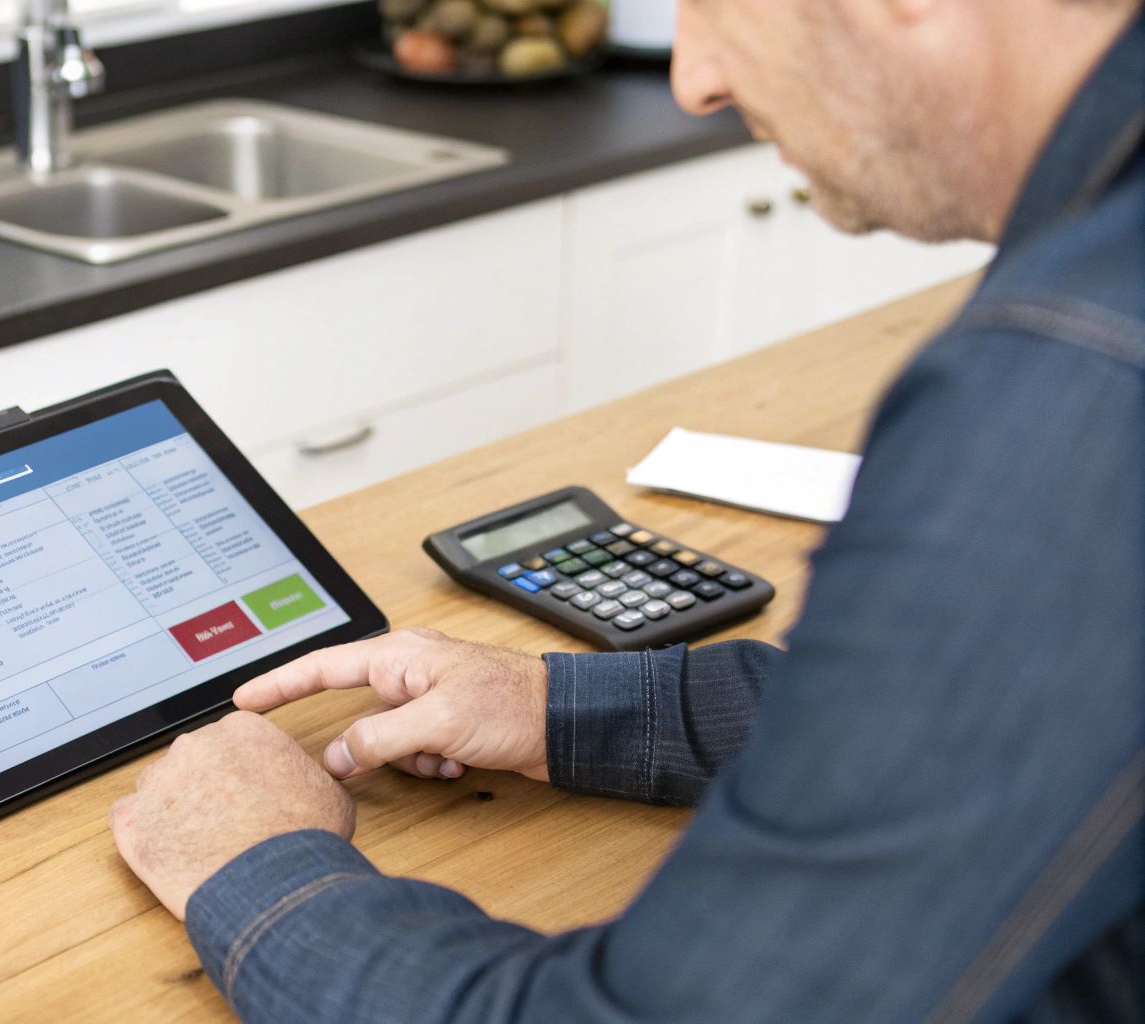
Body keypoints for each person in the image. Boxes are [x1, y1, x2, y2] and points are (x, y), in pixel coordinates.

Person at [108, 0, 1145, 1019]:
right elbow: (988, 716)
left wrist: (256, 868)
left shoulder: (1070, 384)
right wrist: (564, 710)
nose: (691, 80)